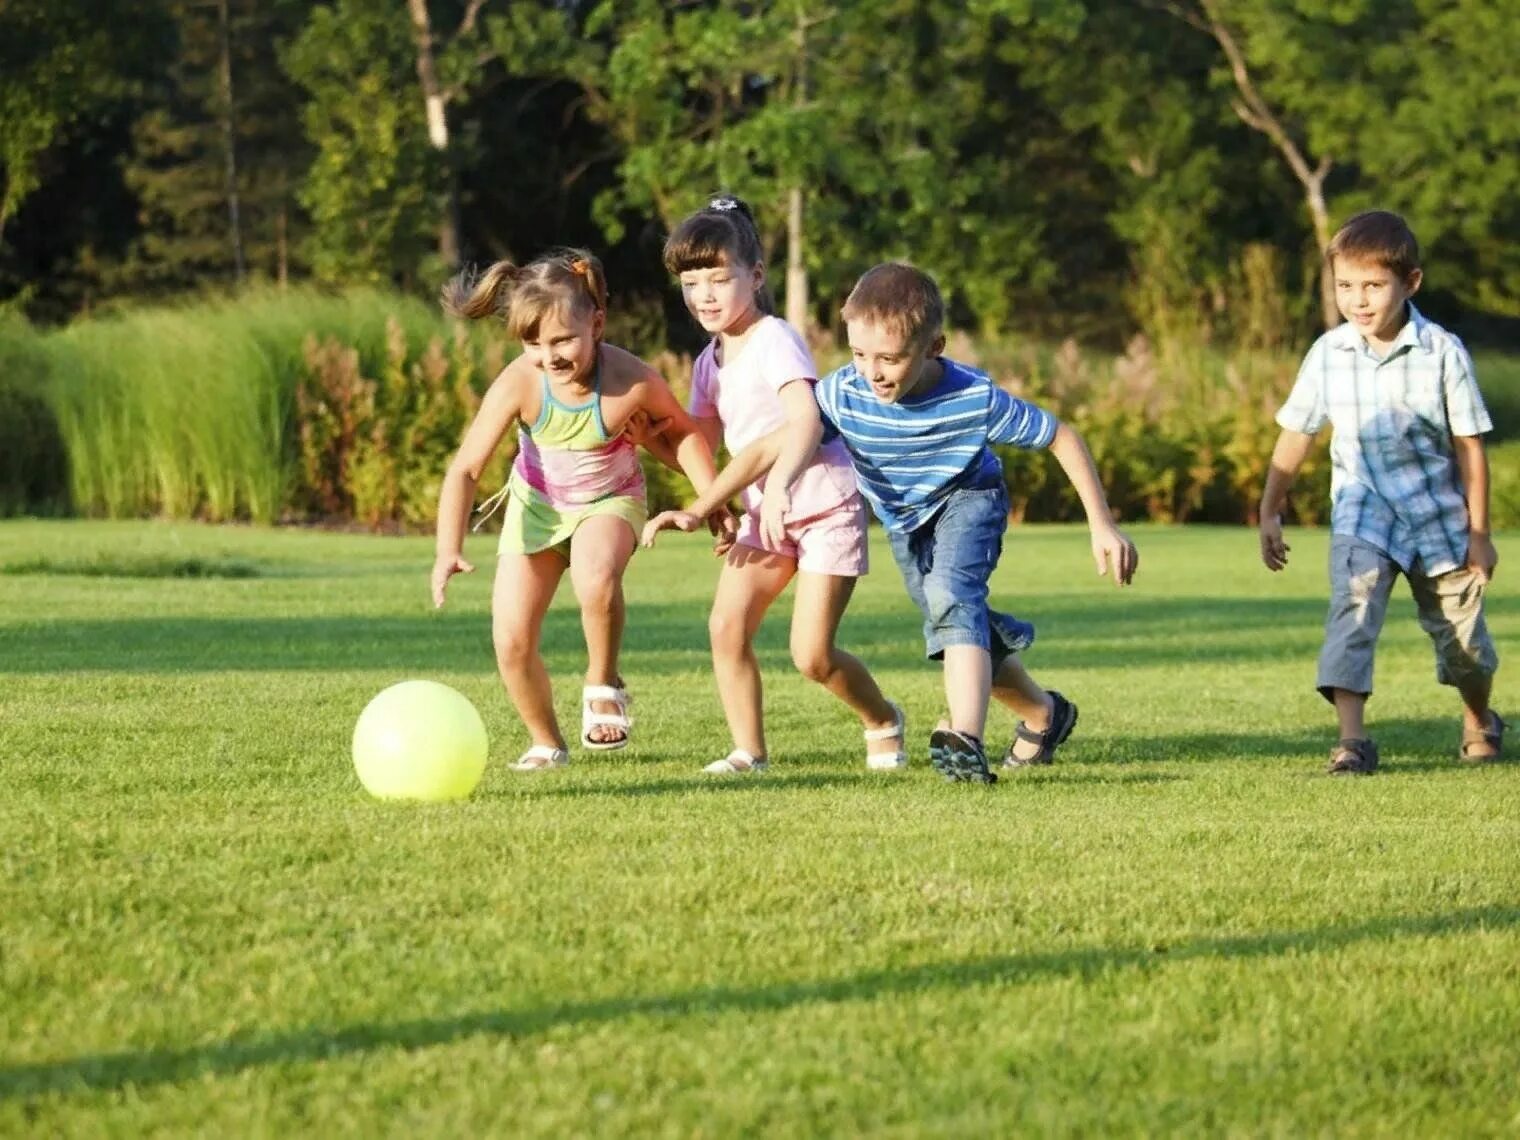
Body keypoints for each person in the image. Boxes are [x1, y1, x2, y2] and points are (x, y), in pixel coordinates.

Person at [646, 261, 1138, 783]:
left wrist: (1101, 523)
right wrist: (703, 507)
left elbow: (1060, 435)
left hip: (968, 499)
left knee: (952, 596)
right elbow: (774, 443)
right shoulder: (847, 391)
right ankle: (1043, 713)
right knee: (955, 622)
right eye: (859, 354)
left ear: (934, 347)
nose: (873, 372)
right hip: (906, 521)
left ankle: (965, 740)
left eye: (890, 359)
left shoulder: (974, 397)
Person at [645, 195, 905, 774]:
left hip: (822, 504)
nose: (704, 295)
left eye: (719, 278)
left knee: (811, 656)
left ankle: (882, 718)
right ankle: (749, 752)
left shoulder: (775, 338)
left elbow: (806, 419)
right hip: (766, 512)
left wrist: (781, 483)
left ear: (755, 276)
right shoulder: (709, 360)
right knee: (725, 624)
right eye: (691, 282)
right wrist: (644, 439)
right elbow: (700, 445)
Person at [431, 248, 718, 770]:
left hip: (610, 501)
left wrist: (712, 500)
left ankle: (602, 679)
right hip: (536, 510)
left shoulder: (630, 380)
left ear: (598, 324)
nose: (550, 356)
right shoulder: (521, 381)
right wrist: (448, 548)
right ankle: (546, 741)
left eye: (563, 339)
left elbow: (684, 438)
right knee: (511, 640)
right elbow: (466, 469)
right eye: (533, 343)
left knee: (595, 576)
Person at [1259, 209, 1502, 774]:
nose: (1359, 300)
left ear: (1410, 282)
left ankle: (1479, 718)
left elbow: (1470, 447)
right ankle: (1353, 742)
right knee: (1353, 611)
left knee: (1463, 647)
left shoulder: (1442, 352)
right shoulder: (1328, 354)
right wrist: (1270, 510)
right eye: (1346, 285)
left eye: (1373, 285)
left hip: (1438, 519)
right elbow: (1296, 434)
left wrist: (1480, 533)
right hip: (1363, 512)